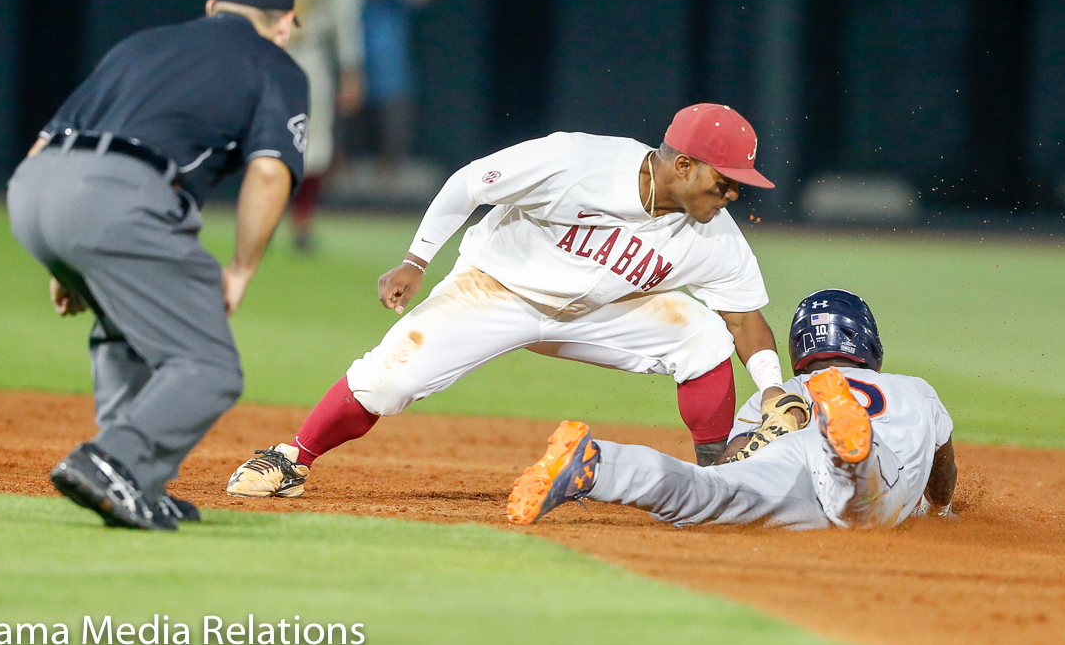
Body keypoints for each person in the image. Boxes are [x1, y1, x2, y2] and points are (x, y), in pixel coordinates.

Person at [226, 104, 786, 499]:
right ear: (683, 165)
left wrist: (772, 391)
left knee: (703, 336)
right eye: (725, 180)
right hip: (497, 289)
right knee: (388, 381)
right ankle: (292, 458)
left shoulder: (712, 234)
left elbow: (744, 320)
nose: (733, 193)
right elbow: (469, 184)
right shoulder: (576, 161)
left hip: (594, 314)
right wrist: (417, 260)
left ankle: (716, 480)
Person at [6, 0, 309, 530]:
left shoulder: (139, 46)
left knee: (127, 328)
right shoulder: (276, 63)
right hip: (118, 198)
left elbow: (43, 146)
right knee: (210, 366)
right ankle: (113, 461)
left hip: (33, 190)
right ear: (285, 23)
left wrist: (66, 258)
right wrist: (241, 269)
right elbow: (270, 171)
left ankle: (135, 483)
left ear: (213, 7)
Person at [506, 289, 958, 530]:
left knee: (712, 493)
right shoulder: (914, 389)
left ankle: (596, 464)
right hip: (875, 467)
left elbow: (732, 457)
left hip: (795, 462)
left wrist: (753, 447)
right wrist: (939, 508)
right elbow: (943, 473)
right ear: (868, 342)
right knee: (863, 507)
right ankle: (848, 448)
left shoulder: (779, 394)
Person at [238, 0, 364, 252]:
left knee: (316, 142)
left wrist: (351, 71)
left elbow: (346, 18)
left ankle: (302, 223)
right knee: (257, 135)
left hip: (309, 51)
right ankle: (258, 215)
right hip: (265, 49)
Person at [350, 0, 453, 172]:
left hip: (393, 84)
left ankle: (388, 184)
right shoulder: (352, 0)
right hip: (357, 82)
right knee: (349, 146)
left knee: (393, 142)